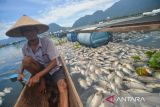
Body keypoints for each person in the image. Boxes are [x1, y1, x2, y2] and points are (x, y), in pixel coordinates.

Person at [6, 15, 68, 107]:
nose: (29, 33)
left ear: (36, 31)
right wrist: (21, 73)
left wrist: (38, 75)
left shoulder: (47, 42)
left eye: (31, 29)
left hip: (54, 70)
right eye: (26, 31)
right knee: (26, 60)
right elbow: (24, 62)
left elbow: (54, 62)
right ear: (23, 34)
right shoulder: (25, 48)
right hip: (40, 71)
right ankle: (44, 82)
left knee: (62, 86)